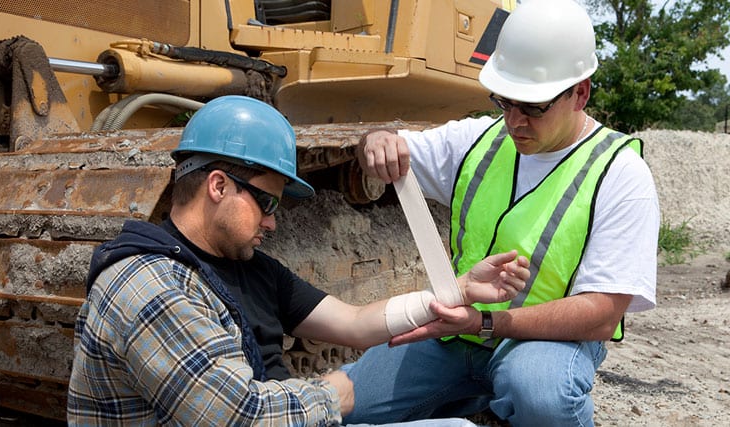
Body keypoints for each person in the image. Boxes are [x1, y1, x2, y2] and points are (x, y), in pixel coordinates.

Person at [66, 95, 532, 426]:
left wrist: (455, 292)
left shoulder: (248, 266)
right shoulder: (152, 287)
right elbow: (239, 416)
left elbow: (352, 323)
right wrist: (338, 391)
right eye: (267, 203)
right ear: (218, 186)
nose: (272, 224)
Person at [340, 0, 660, 426]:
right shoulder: (478, 141)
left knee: (544, 396)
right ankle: (480, 405)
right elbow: (383, 148)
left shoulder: (620, 173)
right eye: (504, 102)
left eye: (533, 107)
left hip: (547, 344)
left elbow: (602, 313)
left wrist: (488, 322)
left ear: (580, 92)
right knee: (347, 404)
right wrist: (375, 140)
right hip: (458, 333)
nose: (515, 121)